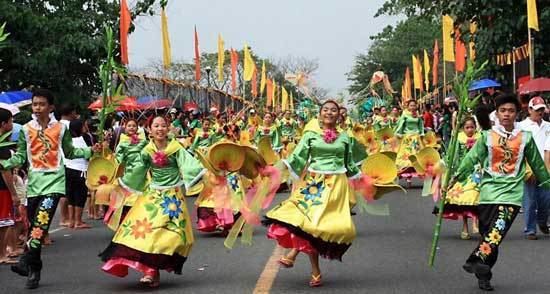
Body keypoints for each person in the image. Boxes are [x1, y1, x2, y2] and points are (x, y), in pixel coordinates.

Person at [4, 89, 101, 289]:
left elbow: (71, 151)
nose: (37, 108)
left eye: (41, 104)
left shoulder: (61, 128)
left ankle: (25, 261)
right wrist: (4, 163)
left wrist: (91, 150)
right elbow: (21, 156)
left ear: (51, 107)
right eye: (35, 104)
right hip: (34, 185)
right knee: (34, 229)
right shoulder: (25, 130)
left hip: (55, 183)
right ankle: (34, 270)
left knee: (40, 224)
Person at [455, 94, 550, 291]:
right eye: (503, 111)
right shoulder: (487, 137)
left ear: (517, 113)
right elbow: (471, 158)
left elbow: (538, 165)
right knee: (489, 236)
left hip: (512, 195)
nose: (507, 114)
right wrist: (457, 177)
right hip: (488, 193)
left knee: (497, 230)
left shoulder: (525, 138)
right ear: (497, 114)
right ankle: (484, 274)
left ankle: (476, 259)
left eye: (511, 111)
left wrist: (547, 182)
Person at [263, 100, 362, 287]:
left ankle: (294, 256)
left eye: (333, 110)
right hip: (314, 183)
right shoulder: (310, 135)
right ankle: (314, 271)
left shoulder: (346, 137)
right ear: (320, 114)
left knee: (319, 227)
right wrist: (280, 167)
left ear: (339, 115)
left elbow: (349, 163)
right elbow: (298, 156)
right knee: (307, 222)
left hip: (337, 185)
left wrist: (364, 179)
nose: (329, 113)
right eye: (326, 109)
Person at [100, 116, 205, 288]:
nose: (160, 129)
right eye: (156, 126)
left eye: (164, 125)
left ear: (168, 128)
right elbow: (137, 172)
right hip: (152, 195)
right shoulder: (146, 150)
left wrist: (206, 175)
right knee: (146, 231)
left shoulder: (176, 148)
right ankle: (151, 271)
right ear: (149, 129)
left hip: (173, 198)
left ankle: (154, 268)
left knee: (170, 236)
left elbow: (189, 165)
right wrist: (118, 184)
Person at [438, 117, 480, 239]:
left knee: (477, 196)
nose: (470, 130)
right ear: (463, 128)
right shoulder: (459, 138)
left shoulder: (480, 138)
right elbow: (454, 155)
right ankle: (465, 226)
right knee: (464, 200)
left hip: (477, 171)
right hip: (462, 171)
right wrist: (451, 171)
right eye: (467, 127)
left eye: (472, 127)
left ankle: (475, 222)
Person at [518, 96, 550, 239]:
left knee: (546, 199)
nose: (540, 112)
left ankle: (542, 222)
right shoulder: (521, 127)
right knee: (530, 201)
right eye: (537, 110)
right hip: (529, 168)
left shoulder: (548, 126)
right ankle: (530, 230)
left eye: (542, 109)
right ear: (529, 109)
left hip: (545, 168)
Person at [65, 119, 91, 229]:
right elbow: (88, 154)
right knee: (80, 195)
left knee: (70, 195)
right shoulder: (84, 138)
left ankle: (71, 220)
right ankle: (78, 221)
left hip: (68, 169)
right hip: (81, 170)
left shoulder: (66, 139)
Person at [0, 108, 18, 265]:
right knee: (4, 222)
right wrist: (13, 193)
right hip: (2, 189)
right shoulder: (2, 146)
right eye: (11, 121)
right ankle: (1, 254)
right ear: (3, 124)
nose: (12, 124)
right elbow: (5, 171)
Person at [57, 104, 78, 228]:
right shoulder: (70, 126)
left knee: (64, 192)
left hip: (59, 160)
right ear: (71, 112)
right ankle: (65, 218)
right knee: (67, 192)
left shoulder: (56, 125)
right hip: (69, 161)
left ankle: (64, 217)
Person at [394, 100, 424, 181]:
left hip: (416, 137)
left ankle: (417, 169)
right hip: (407, 137)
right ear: (408, 106)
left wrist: (422, 134)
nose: (413, 107)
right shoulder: (405, 114)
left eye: (414, 105)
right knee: (407, 154)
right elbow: (400, 124)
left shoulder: (418, 114)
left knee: (417, 154)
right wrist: (398, 133)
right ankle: (406, 170)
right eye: (411, 105)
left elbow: (420, 125)